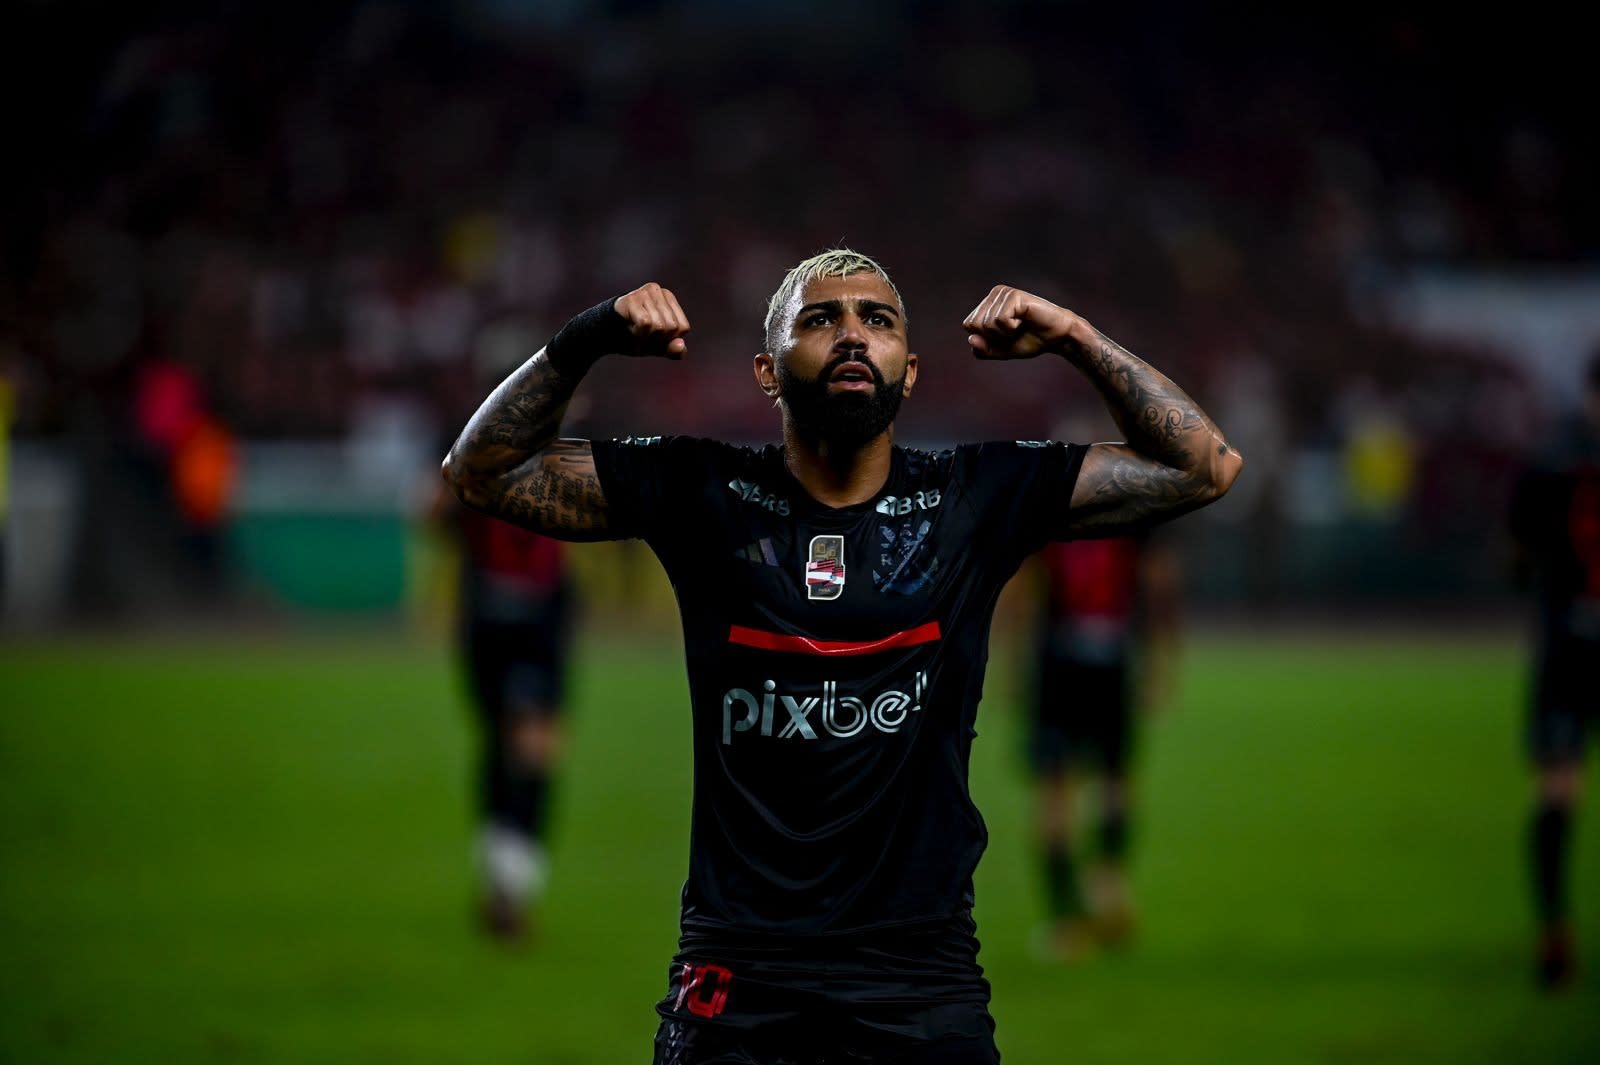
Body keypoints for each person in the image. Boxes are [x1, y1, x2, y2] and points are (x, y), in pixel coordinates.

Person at [441, 248, 1242, 1062]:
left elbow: (1204, 465)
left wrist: (1075, 337)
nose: (853, 334)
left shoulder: (976, 496)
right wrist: (586, 338)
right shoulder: (701, 491)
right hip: (736, 984)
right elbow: (479, 472)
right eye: (821, 319)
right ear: (767, 369)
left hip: (920, 986)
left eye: (878, 320)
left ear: (912, 369)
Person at [427, 471, 576, 944]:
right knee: (503, 742)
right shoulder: (484, 446)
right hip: (490, 615)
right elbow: (434, 512)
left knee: (532, 747)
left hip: (541, 614)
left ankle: (510, 886)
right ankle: (505, 879)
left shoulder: (559, 450)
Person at [1024, 527, 1180, 962]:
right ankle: (1108, 881)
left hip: (1056, 656)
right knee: (1114, 778)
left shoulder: (1048, 483)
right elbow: (1160, 579)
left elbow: (1023, 580)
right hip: (1112, 654)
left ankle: (1065, 921)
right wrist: (1162, 661)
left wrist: (1010, 658)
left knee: (1054, 790)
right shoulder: (1133, 494)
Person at [1508, 349, 1600, 993]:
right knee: (1557, 791)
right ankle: (1554, 931)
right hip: (1568, 650)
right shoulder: (1552, 467)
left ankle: (1553, 931)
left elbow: (1515, 558)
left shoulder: (1550, 464)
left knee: (1558, 791)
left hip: (1567, 645)